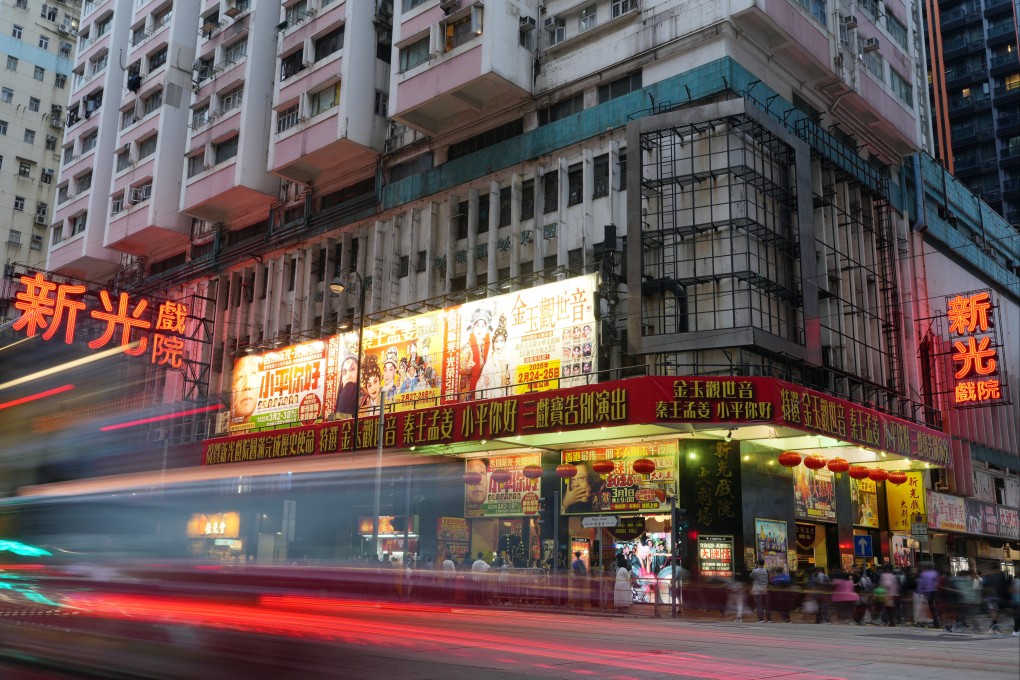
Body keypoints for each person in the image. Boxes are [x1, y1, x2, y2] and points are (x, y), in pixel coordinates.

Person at [477, 314, 512, 398]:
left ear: (505, 342)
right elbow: (479, 386)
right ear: (493, 343)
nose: (498, 345)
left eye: (501, 341)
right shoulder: (489, 364)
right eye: (496, 341)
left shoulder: (508, 362)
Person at [917, 563, 942, 629]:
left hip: (928, 592)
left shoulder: (923, 573)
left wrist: (920, 593)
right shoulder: (935, 573)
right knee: (935, 607)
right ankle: (937, 621)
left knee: (931, 607)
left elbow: (922, 584)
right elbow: (937, 582)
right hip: (935, 591)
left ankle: (935, 621)